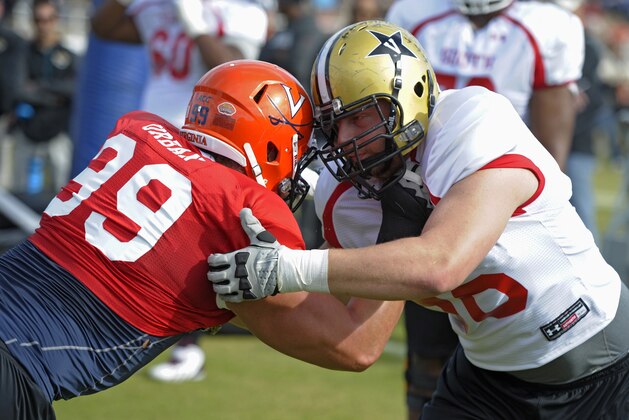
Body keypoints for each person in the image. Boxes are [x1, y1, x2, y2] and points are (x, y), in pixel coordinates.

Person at [209, 22, 629, 419]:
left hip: (603, 365)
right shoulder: (347, 193)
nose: (343, 141)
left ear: (408, 95)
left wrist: (288, 268)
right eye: (333, 125)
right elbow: (356, 341)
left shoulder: (470, 121)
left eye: (359, 117)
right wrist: (237, 292)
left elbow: (440, 265)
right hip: (487, 381)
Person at [0, 59, 403, 420]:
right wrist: (400, 230)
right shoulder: (244, 212)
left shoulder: (139, 130)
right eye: (296, 148)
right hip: (17, 364)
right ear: (269, 142)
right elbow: (355, 344)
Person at [377, 1, 585, 416]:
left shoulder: (548, 26)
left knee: (516, 360)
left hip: (506, 217)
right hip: (422, 208)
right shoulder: (414, 15)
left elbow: (551, 155)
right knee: (428, 360)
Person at [91, 0, 270, 382]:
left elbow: (237, 71)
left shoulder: (240, 10)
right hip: (151, 134)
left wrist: (195, 23)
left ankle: (189, 347)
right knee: (131, 238)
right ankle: (120, 328)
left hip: (205, 142)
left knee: (189, 251)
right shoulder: (156, 7)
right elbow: (105, 28)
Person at [9, 0, 78, 197]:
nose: (44, 25)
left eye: (49, 19)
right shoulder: (23, 52)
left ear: (56, 20)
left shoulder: (68, 55)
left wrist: (40, 85)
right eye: (39, 20)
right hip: (26, 130)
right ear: (33, 21)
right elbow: (18, 89)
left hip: (58, 133)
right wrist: (55, 98)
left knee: (62, 192)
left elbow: (73, 89)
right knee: (20, 192)